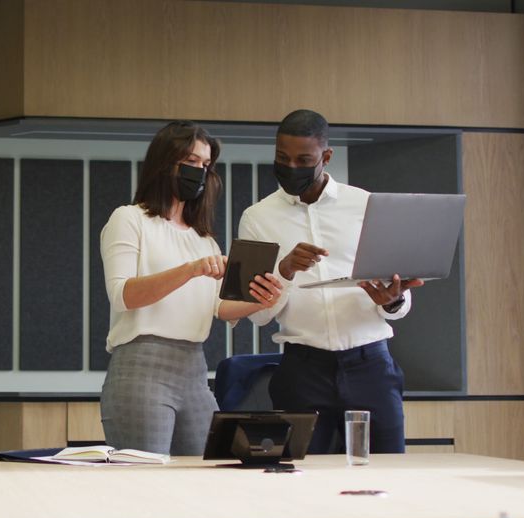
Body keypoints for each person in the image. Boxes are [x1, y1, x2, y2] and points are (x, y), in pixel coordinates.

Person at [238, 109, 424, 454]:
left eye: (303, 159)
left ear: (326, 157)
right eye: (282, 158)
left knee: (388, 476)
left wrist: (392, 300)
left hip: (371, 365)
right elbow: (257, 315)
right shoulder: (256, 218)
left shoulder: (367, 204)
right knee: (302, 481)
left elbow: (399, 299)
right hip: (302, 371)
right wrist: (284, 270)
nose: (291, 167)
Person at [99, 120, 285, 455]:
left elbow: (220, 307)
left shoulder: (204, 240)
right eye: (190, 162)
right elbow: (123, 294)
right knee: (147, 478)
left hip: (194, 369)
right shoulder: (129, 219)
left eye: (205, 164)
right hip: (142, 366)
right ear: (163, 163)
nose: (198, 170)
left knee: (206, 471)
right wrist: (190, 269)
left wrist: (262, 298)